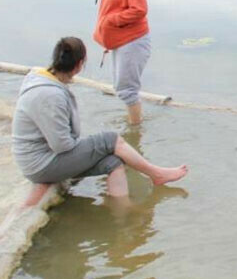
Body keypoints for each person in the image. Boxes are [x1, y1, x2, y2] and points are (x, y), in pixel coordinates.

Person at [12, 37, 188, 205]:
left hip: (44, 158)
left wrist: (90, 148)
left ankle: (122, 213)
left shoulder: (44, 80)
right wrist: (94, 146)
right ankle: (156, 173)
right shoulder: (49, 95)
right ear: (80, 65)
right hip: (40, 164)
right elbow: (61, 146)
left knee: (113, 162)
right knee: (111, 140)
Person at [94, 0, 152, 125]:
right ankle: (133, 123)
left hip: (134, 41)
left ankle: (135, 133)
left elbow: (139, 10)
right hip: (123, 41)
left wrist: (111, 21)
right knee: (122, 87)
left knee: (126, 89)